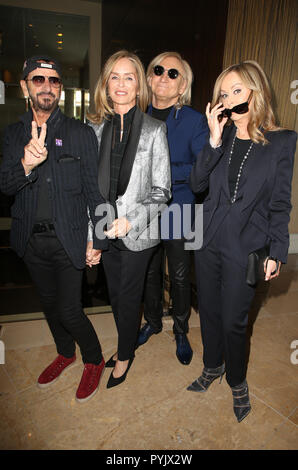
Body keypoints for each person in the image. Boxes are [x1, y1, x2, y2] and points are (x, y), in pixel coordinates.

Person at [187, 60, 297, 422]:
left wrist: (277, 251)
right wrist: (214, 141)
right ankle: (211, 366)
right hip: (207, 241)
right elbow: (197, 185)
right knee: (210, 311)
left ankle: (236, 379)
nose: (230, 99)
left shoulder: (281, 142)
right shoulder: (221, 136)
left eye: (237, 90)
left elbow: (280, 203)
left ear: (256, 92)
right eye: (224, 93)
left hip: (247, 245)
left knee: (235, 319)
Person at [0, 55, 107, 403]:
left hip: (69, 239)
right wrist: (26, 164)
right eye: (38, 79)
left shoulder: (79, 133)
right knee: (48, 305)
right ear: (25, 86)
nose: (47, 86)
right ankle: (66, 352)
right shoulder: (13, 135)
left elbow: (95, 192)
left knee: (69, 310)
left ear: (61, 88)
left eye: (54, 80)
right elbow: (4, 185)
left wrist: (99, 238)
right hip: (31, 241)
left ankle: (93, 357)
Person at [87, 50, 171, 388]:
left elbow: (162, 191)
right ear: (106, 85)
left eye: (129, 77)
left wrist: (131, 220)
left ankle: (125, 356)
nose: (121, 84)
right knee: (117, 297)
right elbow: (89, 189)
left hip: (139, 232)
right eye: (115, 77)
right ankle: (126, 343)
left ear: (139, 86)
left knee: (128, 296)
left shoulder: (154, 130)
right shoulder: (93, 129)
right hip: (105, 228)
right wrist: (95, 238)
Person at [136, 52, 208, 365]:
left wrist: (159, 171)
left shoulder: (194, 121)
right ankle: (152, 322)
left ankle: (180, 329)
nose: (164, 76)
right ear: (149, 77)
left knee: (179, 275)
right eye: (158, 70)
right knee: (149, 272)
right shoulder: (134, 115)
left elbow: (201, 169)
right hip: (143, 212)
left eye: (173, 73)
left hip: (179, 207)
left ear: (182, 86)